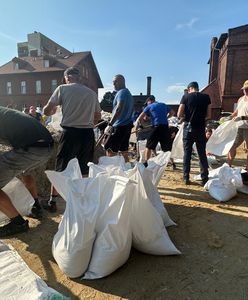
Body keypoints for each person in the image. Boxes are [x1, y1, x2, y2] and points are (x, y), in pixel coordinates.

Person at [42, 67, 101, 212]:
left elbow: (46, 111)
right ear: (79, 77)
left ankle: (53, 201)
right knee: (84, 167)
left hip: (70, 132)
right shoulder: (91, 93)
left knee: (61, 166)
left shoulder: (62, 89)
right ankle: (84, 200)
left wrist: (52, 110)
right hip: (87, 133)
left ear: (67, 77)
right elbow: (98, 117)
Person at [0, 106, 54, 237]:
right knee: (26, 172)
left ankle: (18, 223)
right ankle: (36, 206)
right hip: (46, 146)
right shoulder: (4, 112)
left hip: (31, 148)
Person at [177, 81, 211, 185]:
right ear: (197, 87)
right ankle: (205, 177)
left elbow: (179, 114)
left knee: (187, 153)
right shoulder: (206, 97)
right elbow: (209, 115)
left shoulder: (186, 97)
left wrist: (184, 118)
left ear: (190, 88)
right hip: (200, 128)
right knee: (202, 154)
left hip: (188, 128)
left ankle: (186, 177)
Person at [134, 95, 173, 166]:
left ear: (149, 101)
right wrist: (166, 117)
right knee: (166, 148)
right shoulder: (163, 104)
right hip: (165, 127)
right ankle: (170, 163)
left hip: (156, 127)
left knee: (148, 146)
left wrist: (141, 126)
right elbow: (172, 113)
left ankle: (146, 163)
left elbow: (139, 118)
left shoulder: (149, 106)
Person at [103, 74, 134, 162]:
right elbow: (131, 110)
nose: (113, 85)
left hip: (119, 126)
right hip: (126, 126)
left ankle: (111, 171)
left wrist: (110, 124)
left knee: (110, 149)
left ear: (121, 81)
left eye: (115, 82)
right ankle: (126, 171)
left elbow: (119, 108)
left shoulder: (122, 92)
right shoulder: (129, 94)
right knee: (124, 151)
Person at [227, 80, 248, 168]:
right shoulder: (240, 99)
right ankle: (228, 165)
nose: (245, 91)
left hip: (247, 128)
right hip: (238, 127)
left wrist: (242, 117)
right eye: (244, 89)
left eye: (247, 89)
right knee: (232, 146)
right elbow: (236, 111)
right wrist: (229, 117)